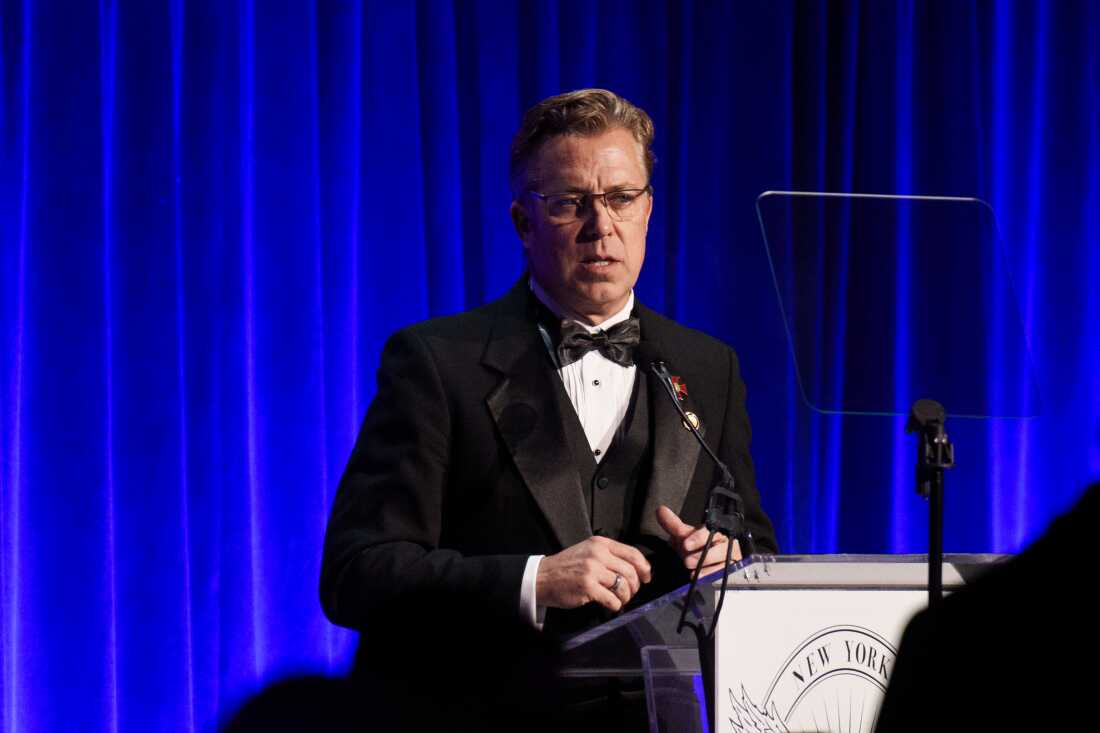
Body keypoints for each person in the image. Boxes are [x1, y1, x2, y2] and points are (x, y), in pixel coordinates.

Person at [320, 88, 777, 727]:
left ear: (648, 209)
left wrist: (729, 564)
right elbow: (357, 574)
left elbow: (756, 550)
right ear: (522, 222)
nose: (601, 226)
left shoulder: (709, 368)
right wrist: (534, 580)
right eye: (570, 203)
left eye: (621, 198)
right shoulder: (436, 364)